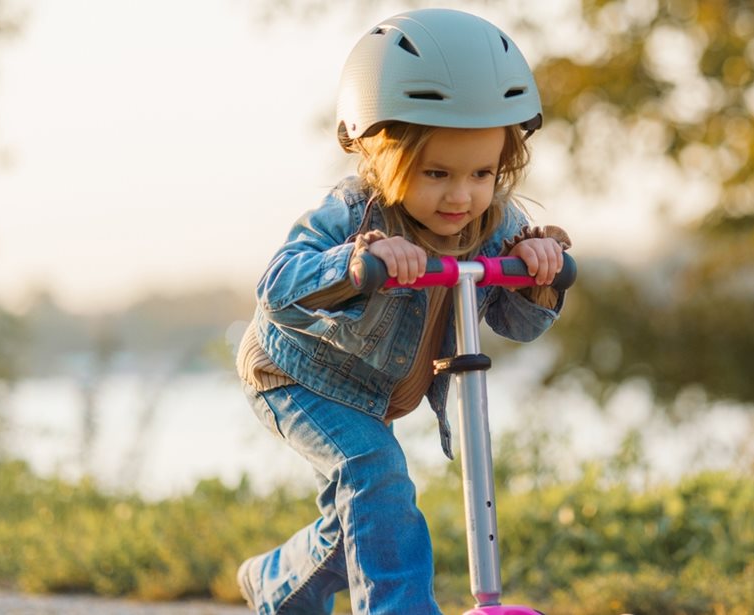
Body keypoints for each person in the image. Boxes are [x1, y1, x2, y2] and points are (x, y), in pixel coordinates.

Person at [234, 8, 571, 614]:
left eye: (482, 172)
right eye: (436, 172)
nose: (461, 195)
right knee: (375, 471)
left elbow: (515, 324)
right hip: (295, 376)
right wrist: (356, 264)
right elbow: (276, 285)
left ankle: (273, 585)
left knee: (363, 522)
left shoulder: (497, 224)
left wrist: (535, 270)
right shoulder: (354, 211)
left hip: (375, 391)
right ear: (383, 155)